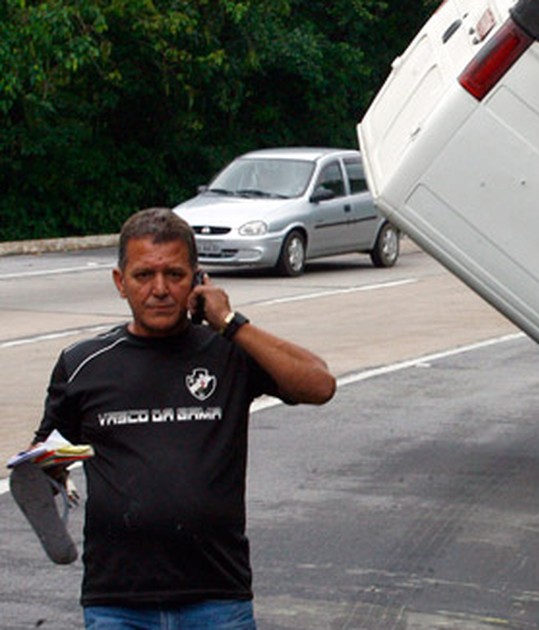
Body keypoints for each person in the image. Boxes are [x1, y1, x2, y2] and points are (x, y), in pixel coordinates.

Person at [29, 207, 336, 628]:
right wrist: (43, 475)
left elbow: (320, 385)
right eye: (143, 276)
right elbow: (46, 458)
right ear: (121, 282)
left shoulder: (228, 352)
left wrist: (229, 322)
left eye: (174, 274)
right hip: (118, 600)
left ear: (197, 279)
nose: (159, 289)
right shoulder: (84, 363)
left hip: (216, 596)